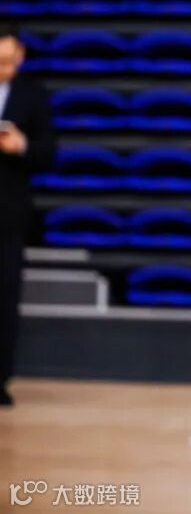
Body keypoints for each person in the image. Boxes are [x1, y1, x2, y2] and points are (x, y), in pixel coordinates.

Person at [0, 24, 57, 406]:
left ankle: (0, 378)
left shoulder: (32, 95)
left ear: (20, 55)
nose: (5, 67)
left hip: (8, 213)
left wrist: (22, 146)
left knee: (4, 298)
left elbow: (49, 151)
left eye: (9, 60)